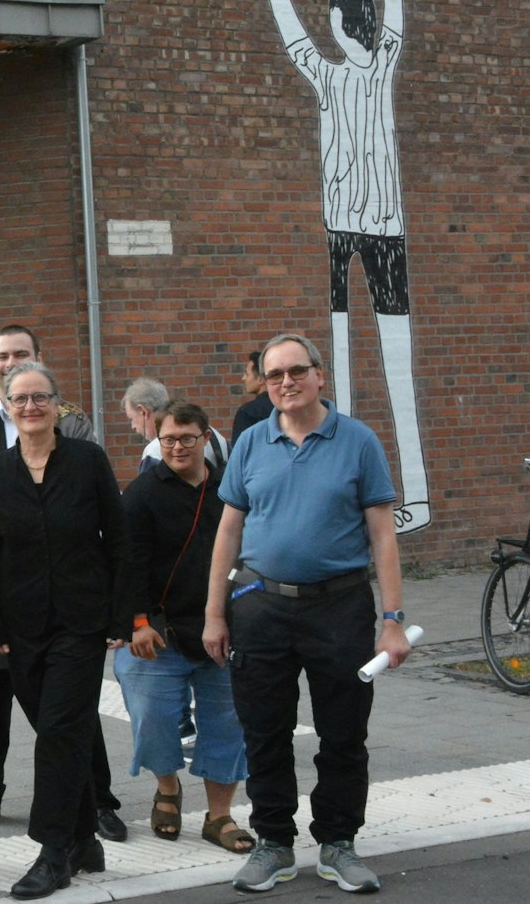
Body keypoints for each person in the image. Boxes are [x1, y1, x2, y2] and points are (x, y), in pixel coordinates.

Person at [204, 0, 430, 533]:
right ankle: (353, 493)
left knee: (393, 357)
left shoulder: (381, 61)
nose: (334, 28)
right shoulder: (329, 78)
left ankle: (412, 492)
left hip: (382, 225)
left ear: (347, 23)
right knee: (343, 359)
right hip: (346, 227)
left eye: (338, 18)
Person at [202, 333, 409, 894]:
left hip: (339, 607)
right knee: (264, 732)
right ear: (264, 384)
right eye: (275, 376)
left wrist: (392, 619)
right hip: (260, 607)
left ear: (321, 375)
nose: (286, 383)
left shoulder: (358, 441)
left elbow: (382, 536)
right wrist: (214, 613)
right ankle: (273, 843)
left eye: (297, 371)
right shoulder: (249, 443)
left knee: (343, 732)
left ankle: (338, 842)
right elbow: (227, 529)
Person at [0, 325, 122, 839]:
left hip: (69, 599)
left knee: (67, 714)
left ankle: (97, 801)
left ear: (39, 361)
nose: (9, 363)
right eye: (1, 357)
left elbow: (96, 506)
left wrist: (118, 609)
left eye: (20, 355)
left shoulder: (75, 426)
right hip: (4, 589)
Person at [0, 361, 125, 900]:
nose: (29, 408)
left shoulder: (87, 460)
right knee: (58, 732)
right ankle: (86, 839)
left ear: (57, 404)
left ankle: (52, 852)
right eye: (19, 400)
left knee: (61, 732)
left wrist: (121, 615)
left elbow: (119, 538)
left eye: (40, 397)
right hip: (21, 627)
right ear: (7, 406)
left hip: (81, 624)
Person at [112, 401, 250, 853]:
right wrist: (137, 622)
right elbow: (126, 565)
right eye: (168, 439)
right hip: (158, 632)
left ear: (205, 439)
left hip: (222, 632)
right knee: (152, 719)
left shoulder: (230, 488)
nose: (177, 447)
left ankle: (220, 815)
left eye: (187, 438)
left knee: (227, 724)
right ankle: (167, 787)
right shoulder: (141, 494)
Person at [125, 377, 228, 476]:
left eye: (131, 419)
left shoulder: (154, 450)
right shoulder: (218, 438)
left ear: (143, 411)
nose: (133, 426)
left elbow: (147, 491)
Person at [230, 352, 276, 443]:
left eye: (247, 374)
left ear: (260, 379)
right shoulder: (284, 407)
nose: (243, 378)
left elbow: (239, 451)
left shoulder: (247, 412)